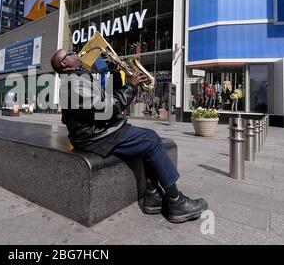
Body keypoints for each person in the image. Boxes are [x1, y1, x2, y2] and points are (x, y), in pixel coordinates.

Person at [51, 49, 208, 223]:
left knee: (146, 139)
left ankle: (153, 196)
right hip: (97, 137)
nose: (75, 52)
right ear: (64, 63)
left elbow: (104, 98)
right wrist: (132, 86)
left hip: (99, 131)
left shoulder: (77, 79)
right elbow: (106, 109)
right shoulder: (73, 83)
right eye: (70, 53)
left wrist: (115, 73)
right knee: (152, 140)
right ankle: (176, 202)